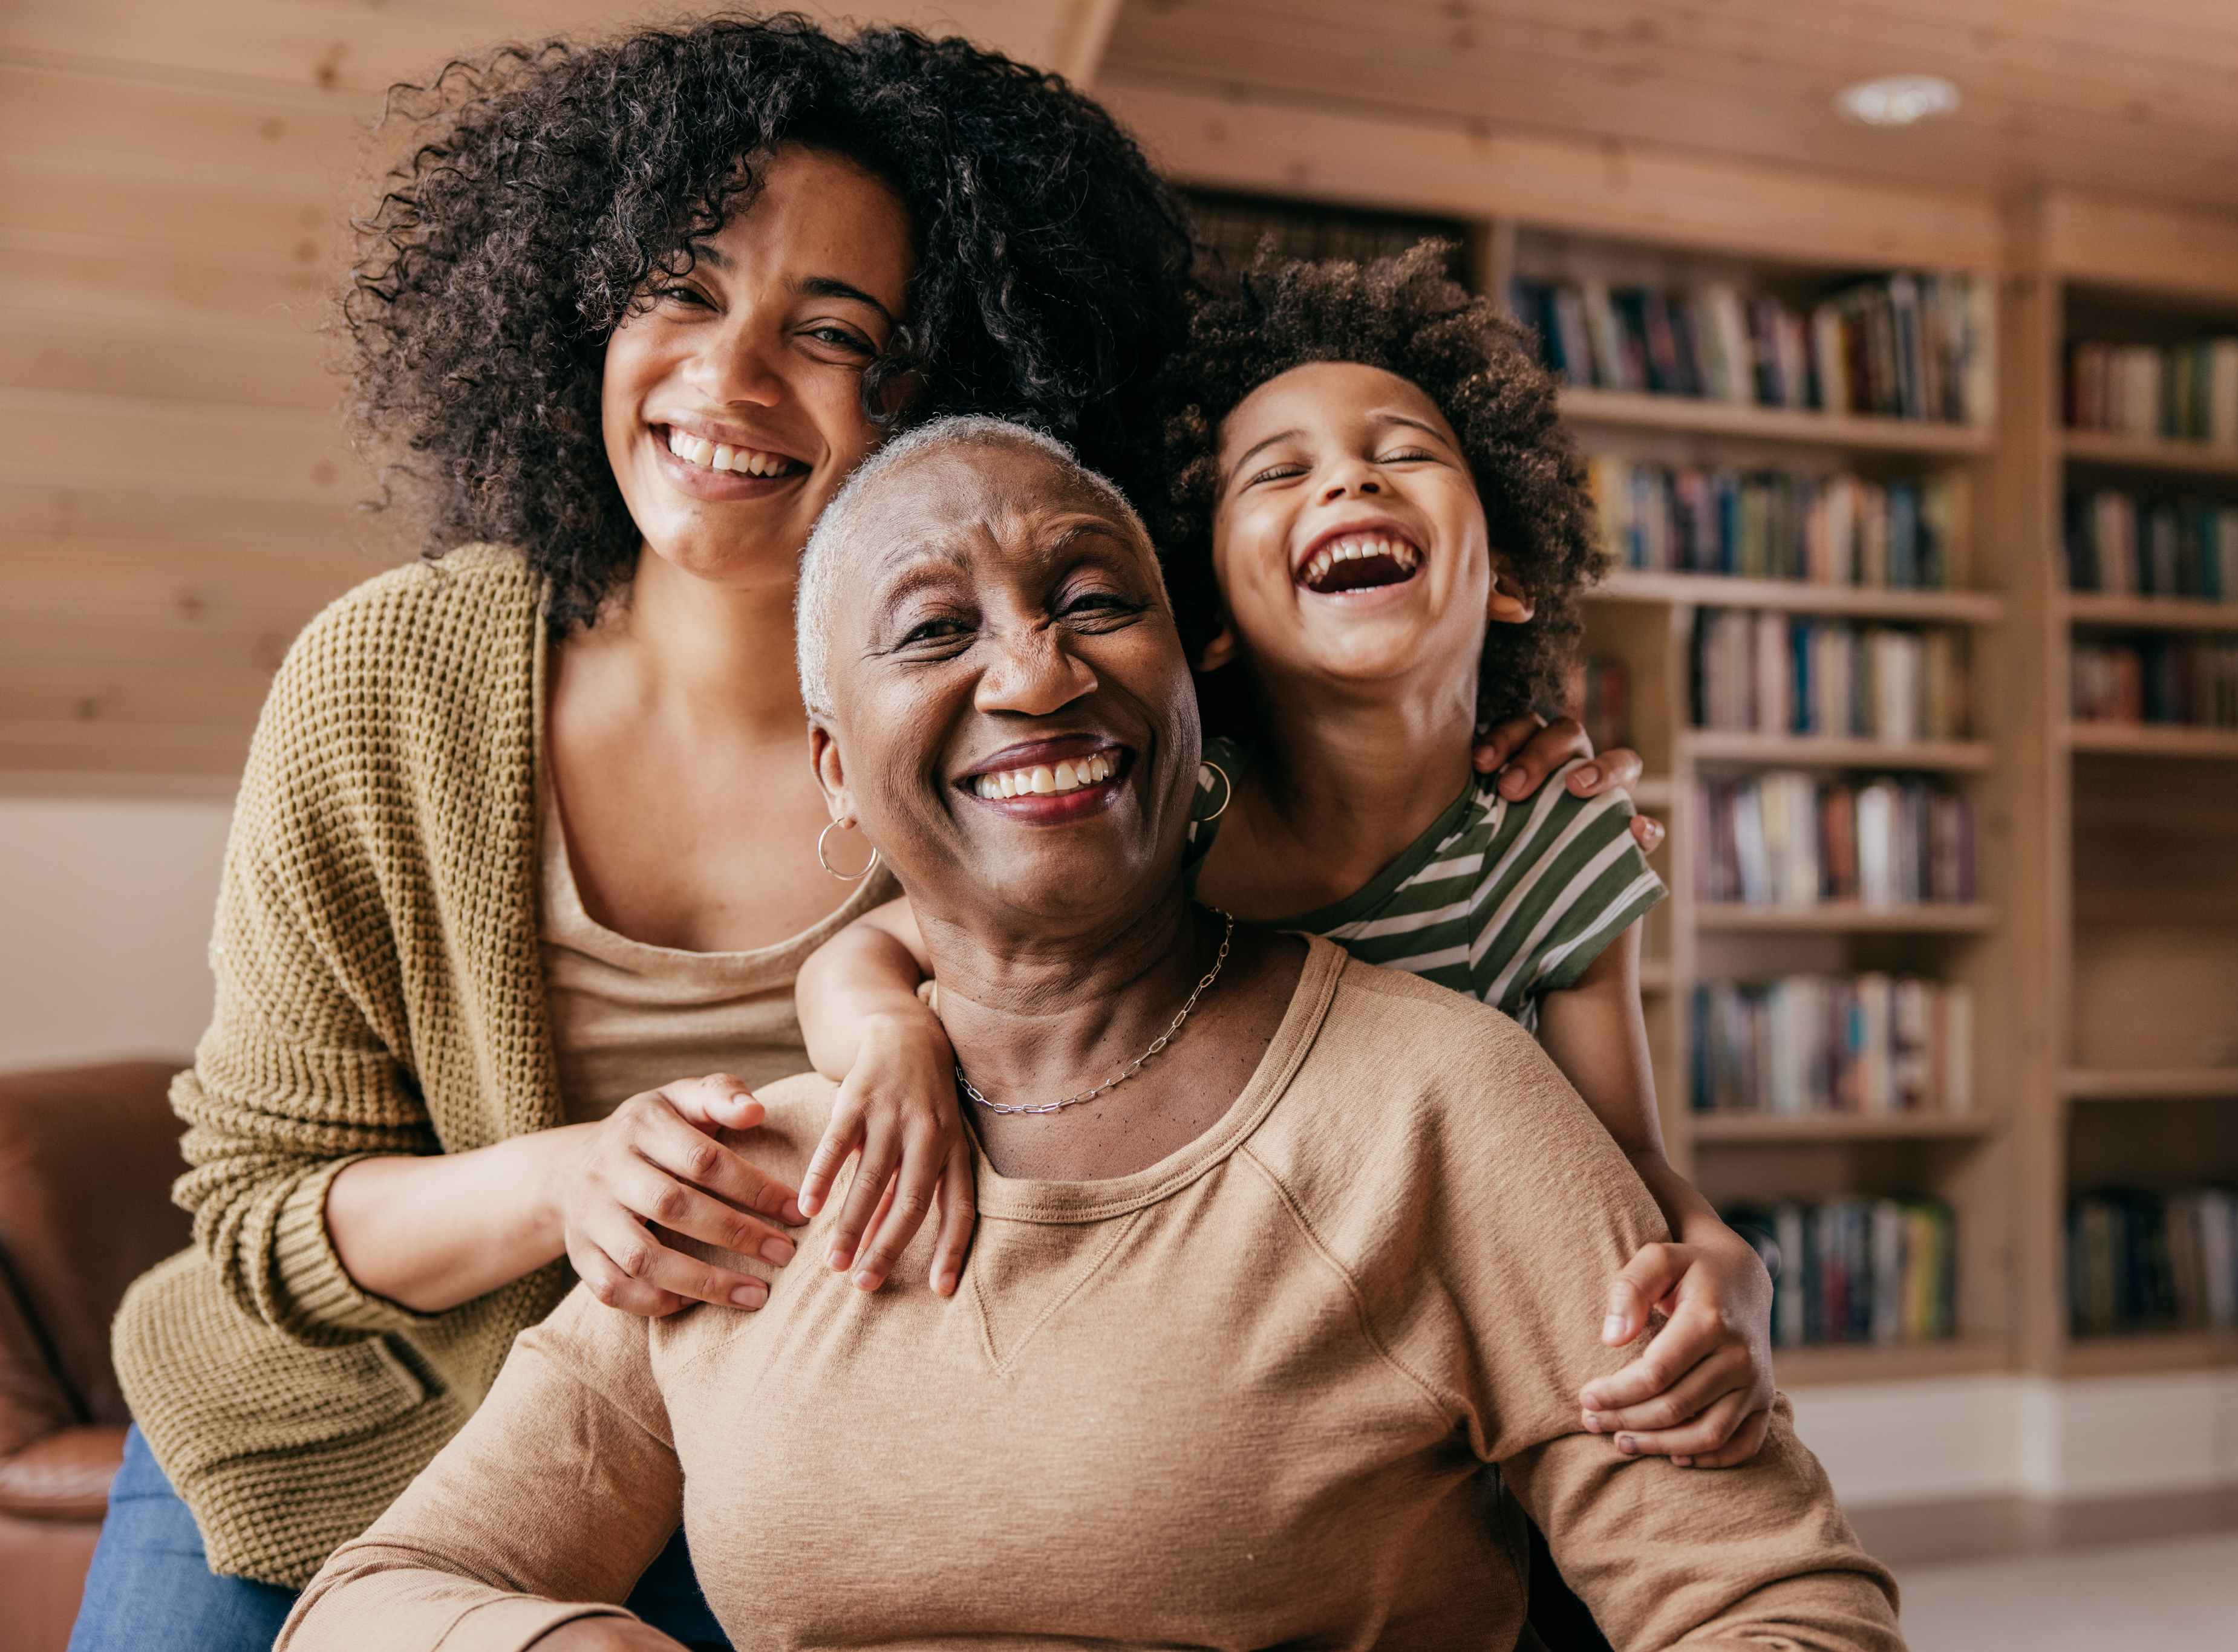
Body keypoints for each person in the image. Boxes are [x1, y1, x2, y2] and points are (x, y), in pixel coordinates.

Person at [73, 21, 1631, 1649]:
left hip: (770, 1443)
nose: (730, 380)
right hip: (312, 1440)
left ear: (949, 382)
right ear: (582, 306)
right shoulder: (386, 682)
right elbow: (261, 1210)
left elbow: (1367, 882)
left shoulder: (1043, 737)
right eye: (680, 290)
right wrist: (579, 1180)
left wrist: (1525, 773)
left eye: (832, 331)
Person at [276, 417, 1903, 1652]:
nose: (1037, 673)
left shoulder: (1440, 1100)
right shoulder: (746, 1178)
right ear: (839, 771)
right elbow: (375, 1595)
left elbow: (1780, 1608)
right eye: (934, 628)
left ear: (1194, 687)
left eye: (1092, 601)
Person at [797, 245, 1773, 1469]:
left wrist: (1728, 1266)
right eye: (1279, 470)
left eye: (1404, 450)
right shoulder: (1164, 815)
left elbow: (1619, 1160)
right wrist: (889, 1040)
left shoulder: (1557, 842)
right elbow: (866, 955)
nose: (1351, 476)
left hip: (1436, 1365)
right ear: (1204, 618)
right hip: (1182, 1346)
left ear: (1509, 571)